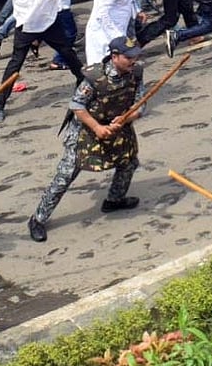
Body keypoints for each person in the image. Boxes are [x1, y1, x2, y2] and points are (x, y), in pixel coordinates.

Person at [28, 36, 146, 242]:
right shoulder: (94, 77)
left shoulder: (135, 73)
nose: (133, 61)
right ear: (115, 56)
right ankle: (38, 219)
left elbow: (140, 102)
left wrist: (129, 116)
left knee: (129, 162)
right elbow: (77, 106)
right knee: (66, 175)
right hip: (86, 130)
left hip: (118, 127)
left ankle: (114, 200)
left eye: (135, 56)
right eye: (128, 57)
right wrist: (97, 128)